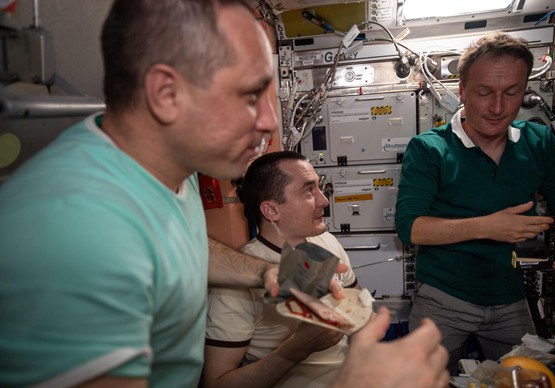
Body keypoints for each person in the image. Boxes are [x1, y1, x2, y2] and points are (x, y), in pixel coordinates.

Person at [0, 1, 449, 387]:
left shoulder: (167, 168)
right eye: (250, 95)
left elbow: (184, 245)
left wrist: (268, 274)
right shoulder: (78, 236)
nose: (270, 122)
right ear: (166, 94)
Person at [396, 31, 555, 375]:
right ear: (463, 91)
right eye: (484, 93)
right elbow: (411, 227)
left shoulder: (539, 143)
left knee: (527, 380)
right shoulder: (428, 149)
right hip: (442, 298)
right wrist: (487, 226)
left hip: (509, 297)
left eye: (511, 93)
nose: (498, 107)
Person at [204, 151, 360, 388]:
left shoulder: (327, 241)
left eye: (319, 188)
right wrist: (297, 349)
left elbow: (359, 315)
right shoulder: (236, 281)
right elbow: (216, 383)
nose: (324, 200)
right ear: (272, 211)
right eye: (309, 191)